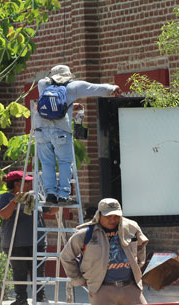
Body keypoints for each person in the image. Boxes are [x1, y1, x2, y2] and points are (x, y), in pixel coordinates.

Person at [35, 65, 121, 204]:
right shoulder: (73, 86)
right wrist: (112, 88)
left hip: (41, 131)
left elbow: (51, 104)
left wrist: (71, 105)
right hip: (61, 132)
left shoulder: (42, 84)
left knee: (47, 163)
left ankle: (50, 194)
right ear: (68, 75)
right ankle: (63, 195)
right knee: (64, 163)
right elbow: (93, 88)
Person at [0, 170, 50, 305]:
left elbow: (49, 210)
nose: (30, 183)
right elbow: (4, 215)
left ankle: (40, 296)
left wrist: (55, 200)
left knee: (38, 270)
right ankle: (21, 298)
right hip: (16, 242)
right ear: (16, 184)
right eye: (26, 181)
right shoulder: (4, 197)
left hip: (37, 240)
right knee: (19, 270)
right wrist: (15, 202)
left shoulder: (35, 195)